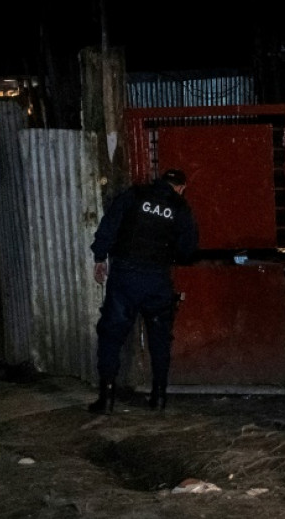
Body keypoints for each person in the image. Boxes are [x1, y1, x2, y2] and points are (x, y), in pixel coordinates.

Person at [88, 169, 199, 414]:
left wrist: (99, 256)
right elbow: (188, 249)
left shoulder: (134, 195)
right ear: (180, 187)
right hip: (157, 279)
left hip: (125, 276)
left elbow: (110, 225)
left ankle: (106, 399)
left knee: (111, 335)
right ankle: (158, 397)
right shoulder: (179, 206)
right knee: (159, 337)